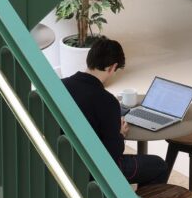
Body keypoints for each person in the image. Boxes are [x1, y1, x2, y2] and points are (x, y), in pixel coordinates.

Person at [63, 37, 170, 187]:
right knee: (159, 165)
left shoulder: (60, 85)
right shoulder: (107, 101)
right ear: (112, 67)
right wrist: (120, 134)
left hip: (63, 160)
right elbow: (113, 153)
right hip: (95, 168)